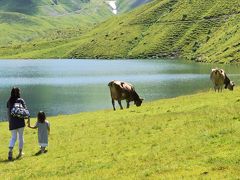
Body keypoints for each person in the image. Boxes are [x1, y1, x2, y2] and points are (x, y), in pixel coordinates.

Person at [7, 87, 30, 160]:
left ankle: (10, 151)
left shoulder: (9, 101)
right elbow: (26, 111)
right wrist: (28, 119)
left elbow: (8, 112)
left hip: (12, 122)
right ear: (18, 93)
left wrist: (10, 121)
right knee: (21, 137)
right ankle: (20, 153)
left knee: (13, 137)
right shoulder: (21, 100)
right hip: (20, 122)